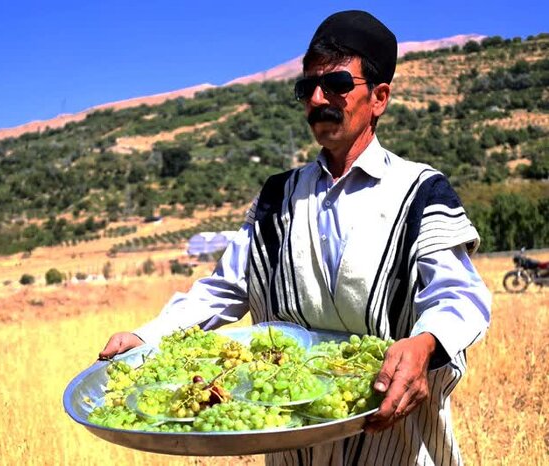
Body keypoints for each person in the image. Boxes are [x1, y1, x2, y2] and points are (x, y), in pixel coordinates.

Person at [100, 9, 491, 466]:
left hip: (398, 445)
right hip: (296, 451)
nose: (319, 98)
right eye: (308, 88)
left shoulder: (420, 191)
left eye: (339, 85)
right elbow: (223, 290)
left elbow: (459, 296)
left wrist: (425, 345)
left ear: (380, 97)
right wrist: (146, 337)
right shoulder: (277, 197)